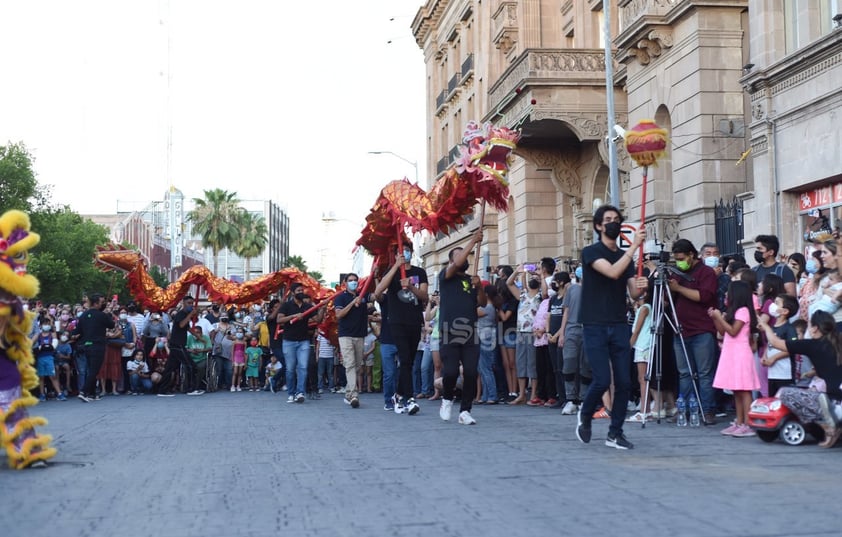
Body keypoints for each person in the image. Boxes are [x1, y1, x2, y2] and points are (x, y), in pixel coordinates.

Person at [575, 204, 647, 450]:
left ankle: (615, 432)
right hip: (594, 323)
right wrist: (634, 248)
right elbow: (613, 273)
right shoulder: (590, 252)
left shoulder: (624, 257)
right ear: (598, 226)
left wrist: (643, 284)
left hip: (618, 322)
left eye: (617, 219)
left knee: (625, 382)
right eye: (608, 219)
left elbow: (634, 293)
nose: (613, 223)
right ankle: (585, 414)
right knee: (603, 379)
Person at [760, 310, 842, 448]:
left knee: (786, 393)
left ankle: (829, 426)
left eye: (810, 325)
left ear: (815, 328)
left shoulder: (812, 345)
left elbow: (775, 342)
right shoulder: (838, 342)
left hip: (832, 403)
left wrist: (766, 326)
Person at [668, 238, 719, 424]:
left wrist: (678, 288)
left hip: (702, 330)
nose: (680, 262)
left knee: (704, 372)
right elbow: (668, 300)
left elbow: (703, 296)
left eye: (682, 258)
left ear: (691, 255)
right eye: (676, 259)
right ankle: (686, 408)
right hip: (681, 330)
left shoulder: (706, 273)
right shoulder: (678, 273)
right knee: (684, 372)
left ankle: (707, 409)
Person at [437, 229, 486, 425]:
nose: (463, 257)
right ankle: (447, 398)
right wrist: (473, 240)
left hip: (470, 334)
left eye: (464, 253)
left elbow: (482, 303)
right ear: (451, 261)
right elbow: (457, 263)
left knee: (472, 372)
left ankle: (465, 410)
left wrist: (479, 286)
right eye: (458, 255)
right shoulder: (445, 276)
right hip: (449, 331)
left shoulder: (470, 280)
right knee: (450, 373)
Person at [374, 242, 428, 415]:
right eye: (400, 251)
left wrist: (411, 286)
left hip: (414, 320)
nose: (404, 253)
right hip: (396, 321)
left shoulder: (420, 272)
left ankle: (397, 394)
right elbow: (378, 291)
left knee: (408, 361)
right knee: (404, 358)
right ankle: (409, 399)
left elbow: (424, 296)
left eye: (406, 251)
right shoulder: (391, 272)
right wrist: (396, 267)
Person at [709, 280, 760, 437]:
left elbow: (733, 331)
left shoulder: (743, 311)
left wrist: (720, 317)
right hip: (731, 352)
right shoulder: (734, 311)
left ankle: (748, 423)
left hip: (740, 353)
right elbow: (723, 332)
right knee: (736, 389)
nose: (726, 294)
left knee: (744, 390)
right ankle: (739, 421)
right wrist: (716, 318)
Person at [278, 283, 321, 404]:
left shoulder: (307, 306)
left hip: (304, 341)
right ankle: (291, 393)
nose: (301, 292)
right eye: (298, 290)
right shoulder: (286, 305)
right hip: (289, 341)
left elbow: (318, 320)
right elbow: (279, 320)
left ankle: (300, 392)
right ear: (292, 293)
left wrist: (321, 308)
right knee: (290, 369)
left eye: (302, 290)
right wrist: (293, 316)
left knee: (303, 367)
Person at [334, 273, 369, 409]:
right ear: (345, 282)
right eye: (350, 280)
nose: (353, 282)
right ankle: (354, 394)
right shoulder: (341, 298)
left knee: (357, 366)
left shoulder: (363, 295)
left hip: (360, 335)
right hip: (345, 335)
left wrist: (377, 278)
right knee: (349, 364)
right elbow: (339, 315)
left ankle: (349, 394)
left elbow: (376, 296)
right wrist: (352, 303)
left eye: (355, 280)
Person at [73, 293, 115, 402]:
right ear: (96, 303)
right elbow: (112, 325)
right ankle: (84, 391)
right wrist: (108, 314)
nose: (103, 304)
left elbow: (77, 331)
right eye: (101, 303)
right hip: (98, 346)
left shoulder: (83, 315)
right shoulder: (102, 315)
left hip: (86, 345)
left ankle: (92, 393)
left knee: (90, 369)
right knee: (93, 370)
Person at [559, 266, 590, 415]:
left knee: (586, 365)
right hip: (572, 329)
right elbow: (566, 311)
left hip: (588, 329)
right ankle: (570, 399)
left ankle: (583, 399)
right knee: (569, 363)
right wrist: (562, 333)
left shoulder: (593, 289)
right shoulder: (571, 289)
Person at [159, 295, 203, 397]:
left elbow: (188, 329)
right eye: (189, 303)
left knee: (169, 369)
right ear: (183, 303)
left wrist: (199, 338)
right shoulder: (181, 314)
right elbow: (181, 325)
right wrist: (191, 315)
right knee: (191, 366)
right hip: (178, 345)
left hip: (176, 345)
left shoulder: (185, 314)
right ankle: (191, 389)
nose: (191, 305)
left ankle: (162, 390)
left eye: (192, 303)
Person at [760, 294, 798, 396]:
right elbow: (769, 345)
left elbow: (792, 348)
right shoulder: (772, 328)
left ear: (785, 311)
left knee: (784, 402)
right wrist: (765, 356)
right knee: (773, 401)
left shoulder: (789, 328)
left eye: (776, 303)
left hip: (785, 374)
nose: (772, 305)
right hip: (772, 373)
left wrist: (774, 358)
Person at [626, 284, 653, 423]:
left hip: (643, 345)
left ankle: (644, 411)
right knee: (643, 379)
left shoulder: (644, 308)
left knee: (643, 380)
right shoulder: (644, 308)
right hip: (643, 344)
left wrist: (629, 346)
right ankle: (645, 410)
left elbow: (636, 330)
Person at [477, 284, 498, 405]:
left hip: (486, 339)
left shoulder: (488, 307)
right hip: (486, 338)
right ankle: (486, 395)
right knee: (483, 368)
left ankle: (492, 395)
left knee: (486, 368)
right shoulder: (490, 307)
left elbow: (471, 311)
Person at [32, 322, 64, 401]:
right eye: (44, 323)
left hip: (49, 358)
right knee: (41, 377)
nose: (46, 325)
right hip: (40, 358)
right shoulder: (38, 335)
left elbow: (54, 345)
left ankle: (59, 394)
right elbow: (33, 344)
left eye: (47, 324)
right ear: (41, 325)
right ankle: (42, 394)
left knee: (52, 376)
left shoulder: (51, 335)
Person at [187, 326, 212, 391]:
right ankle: (187, 385)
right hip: (191, 359)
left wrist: (201, 350)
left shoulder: (205, 338)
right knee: (186, 366)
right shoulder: (189, 338)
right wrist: (191, 351)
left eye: (198, 333)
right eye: (194, 333)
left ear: (201, 333)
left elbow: (209, 348)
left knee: (200, 367)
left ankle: (196, 386)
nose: (196, 334)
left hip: (202, 359)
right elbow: (185, 348)